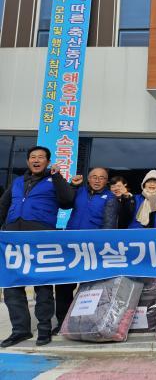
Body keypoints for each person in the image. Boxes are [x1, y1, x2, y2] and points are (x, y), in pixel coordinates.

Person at [0, 146, 74, 347]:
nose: (36, 160)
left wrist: (57, 176)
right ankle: (20, 330)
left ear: (47, 162)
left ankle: (44, 329)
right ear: (27, 161)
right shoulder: (17, 182)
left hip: (40, 239)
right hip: (13, 239)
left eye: (41, 157)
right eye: (33, 157)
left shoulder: (54, 180)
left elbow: (67, 201)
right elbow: (3, 205)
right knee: (12, 285)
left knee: (42, 285)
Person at [57, 167, 118, 335]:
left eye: (101, 178)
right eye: (94, 177)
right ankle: (62, 322)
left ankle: (85, 322)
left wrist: (101, 248)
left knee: (89, 288)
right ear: (88, 179)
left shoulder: (110, 198)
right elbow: (64, 203)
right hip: (71, 246)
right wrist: (73, 186)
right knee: (64, 285)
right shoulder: (79, 191)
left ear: (106, 181)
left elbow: (109, 225)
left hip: (92, 249)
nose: (97, 180)